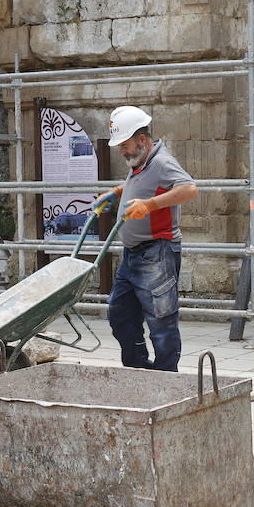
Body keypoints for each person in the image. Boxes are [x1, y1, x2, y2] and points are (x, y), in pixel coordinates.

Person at [93, 105, 198, 371]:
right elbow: (142, 184)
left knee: (161, 323)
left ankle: (166, 377)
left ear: (142, 140)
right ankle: (139, 369)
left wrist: (150, 206)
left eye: (124, 145)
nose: (121, 151)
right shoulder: (141, 160)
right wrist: (117, 192)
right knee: (120, 313)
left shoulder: (161, 162)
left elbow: (189, 189)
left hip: (157, 253)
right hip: (133, 255)